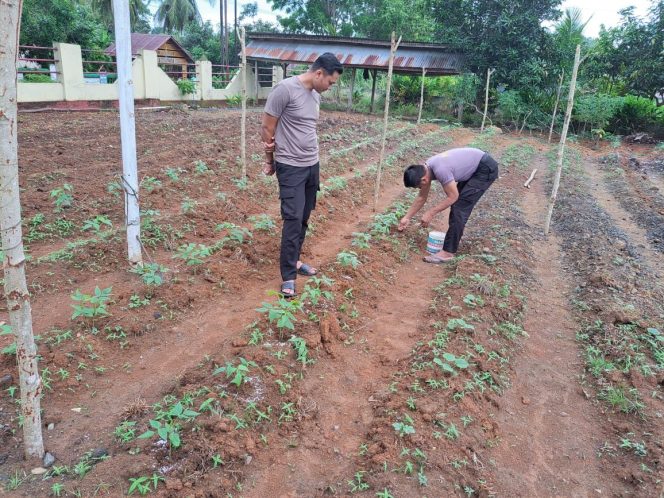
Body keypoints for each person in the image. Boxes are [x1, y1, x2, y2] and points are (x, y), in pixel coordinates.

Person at [261, 53, 343, 296]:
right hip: (290, 165)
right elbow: (267, 128)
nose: (330, 87)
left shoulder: (315, 95)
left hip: (311, 165)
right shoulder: (285, 89)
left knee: (305, 217)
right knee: (293, 218)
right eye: (330, 82)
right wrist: (270, 161)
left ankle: (295, 260)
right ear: (319, 73)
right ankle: (288, 276)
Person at [397, 148, 499, 263]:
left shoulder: (441, 170)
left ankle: (447, 253)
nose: (420, 189)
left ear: (423, 180)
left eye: (418, 186)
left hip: (484, 169)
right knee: (458, 204)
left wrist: (431, 213)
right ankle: (453, 242)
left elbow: (453, 196)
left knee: (460, 207)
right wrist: (407, 218)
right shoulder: (426, 169)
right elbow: (421, 198)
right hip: (476, 165)